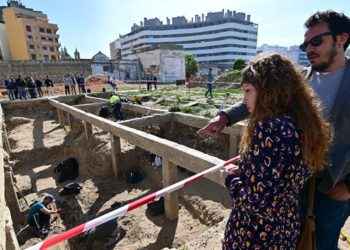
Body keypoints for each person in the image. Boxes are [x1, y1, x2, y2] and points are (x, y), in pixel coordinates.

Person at [199, 54, 331, 248]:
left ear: (268, 90)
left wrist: (229, 179)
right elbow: (279, 178)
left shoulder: (269, 129)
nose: (244, 100)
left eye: (248, 91)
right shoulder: (304, 123)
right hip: (286, 226)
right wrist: (247, 173)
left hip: (257, 235)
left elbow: (259, 204)